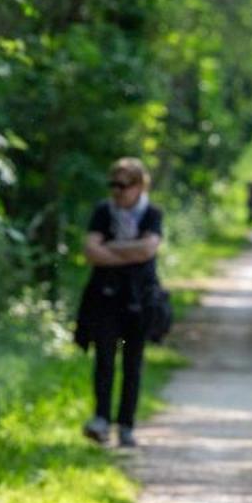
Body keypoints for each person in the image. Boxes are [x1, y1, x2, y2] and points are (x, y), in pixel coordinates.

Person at [76, 157, 163, 450]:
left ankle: (126, 425)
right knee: (104, 359)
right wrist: (129, 253)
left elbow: (149, 249)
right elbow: (90, 251)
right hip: (104, 296)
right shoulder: (103, 212)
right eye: (113, 184)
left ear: (139, 186)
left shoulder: (152, 213)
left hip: (140, 298)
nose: (117, 191)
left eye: (123, 185)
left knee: (132, 362)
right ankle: (101, 418)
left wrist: (110, 249)